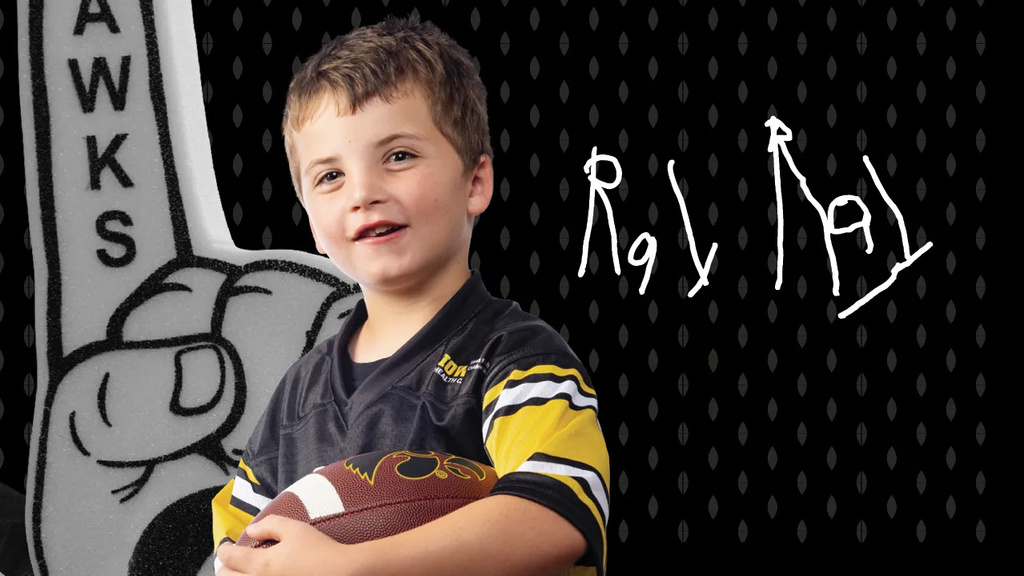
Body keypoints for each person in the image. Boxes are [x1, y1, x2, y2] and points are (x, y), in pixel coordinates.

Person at [211, 15, 609, 576]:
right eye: (329, 177)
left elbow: (557, 513)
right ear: (312, 229)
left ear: (475, 183)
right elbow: (237, 556)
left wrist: (352, 565)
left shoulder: (516, 359)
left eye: (398, 156)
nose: (364, 193)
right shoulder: (296, 399)